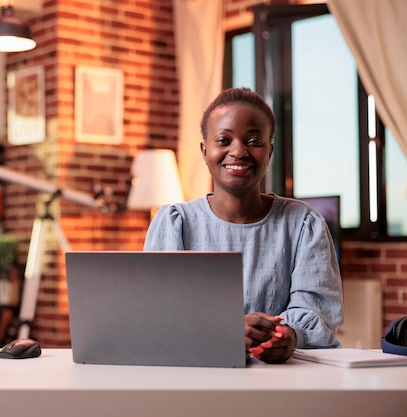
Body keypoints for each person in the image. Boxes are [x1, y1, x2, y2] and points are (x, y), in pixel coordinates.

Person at [143, 87, 343, 364]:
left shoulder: (303, 223)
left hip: (284, 380)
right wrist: (224, 331)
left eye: (254, 141)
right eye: (224, 140)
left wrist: (290, 334)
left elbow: (316, 309)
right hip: (195, 375)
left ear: (269, 151)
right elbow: (158, 314)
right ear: (205, 150)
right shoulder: (174, 223)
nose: (238, 151)